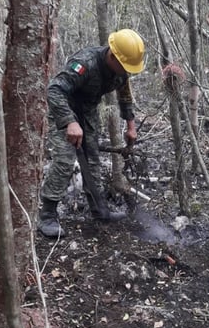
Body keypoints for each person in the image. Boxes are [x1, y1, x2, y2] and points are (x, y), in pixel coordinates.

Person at [37, 29, 145, 237]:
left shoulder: (121, 72)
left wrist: (131, 126)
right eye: (123, 66)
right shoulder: (85, 63)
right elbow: (55, 89)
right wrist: (69, 121)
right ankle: (47, 216)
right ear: (112, 56)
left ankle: (99, 210)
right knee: (65, 161)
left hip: (88, 112)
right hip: (64, 109)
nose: (125, 71)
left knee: (93, 160)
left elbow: (125, 95)